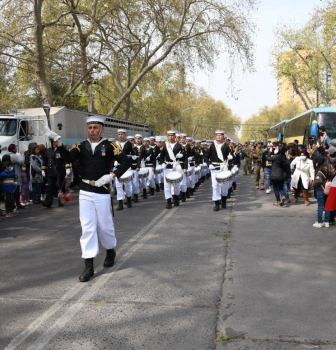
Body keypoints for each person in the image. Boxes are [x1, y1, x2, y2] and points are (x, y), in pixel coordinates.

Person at [46, 116, 132, 282]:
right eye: (90, 127)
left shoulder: (110, 146)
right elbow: (69, 158)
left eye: (95, 127)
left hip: (102, 191)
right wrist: (58, 142)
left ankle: (110, 250)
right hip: (85, 191)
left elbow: (126, 161)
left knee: (105, 226)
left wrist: (112, 175)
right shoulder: (80, 146)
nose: (92, 130)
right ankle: (89, 265)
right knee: (87, 228)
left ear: (102, 129)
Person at [159, 130, 187, 209]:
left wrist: (185, 167)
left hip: (177, 166)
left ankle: (176, 198)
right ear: (167, 137)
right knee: (167, 185)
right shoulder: (165, 145)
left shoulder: (180, 146)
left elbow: (185, 158)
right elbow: (161, 157)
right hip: (168, 166)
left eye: (172, 136)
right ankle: (168, 201)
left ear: (175, 137)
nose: (171, 137)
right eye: (169, 136)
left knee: (176, 184)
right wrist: (162, 163)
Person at [204, 130, 230, 211]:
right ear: (215, 136)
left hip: (224, 167)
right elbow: (205, 156)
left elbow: (230, 155)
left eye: (221, 135)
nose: (219, 137)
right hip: (214, 167)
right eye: (217, 135)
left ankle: (224, 200)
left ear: (223, 137)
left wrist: (231, 158)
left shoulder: (226, 146)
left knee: (224, 185)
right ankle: (216, 203)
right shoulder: (212, 146)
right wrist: (209, 164)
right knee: (215, 186)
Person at [312, 156, 335, 228]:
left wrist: (314, 184)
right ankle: (327, 221)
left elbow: (318, 181)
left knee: (320, 206)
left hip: (321, 190)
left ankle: (319, 222)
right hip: (330, 189)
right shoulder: (332, 169)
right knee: (327, 206)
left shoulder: (321, 170)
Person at [7, 143, 26, 209]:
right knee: (16, 190)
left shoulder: (7, 155)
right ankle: (17, 204)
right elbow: (21, 161)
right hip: (15, 174)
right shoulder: (13, 156)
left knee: (12, 191)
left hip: (10, 174)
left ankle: (14, 204)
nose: (16, 149)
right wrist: (22, 154)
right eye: (15, 148)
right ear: (13, 149)